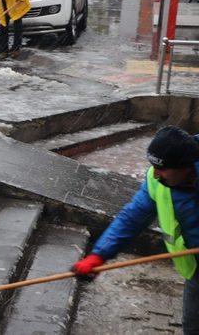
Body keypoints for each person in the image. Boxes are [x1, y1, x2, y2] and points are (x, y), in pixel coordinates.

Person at [72, 126, 199, 334]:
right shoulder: (156, 181)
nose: (156, 174)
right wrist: (98, 255)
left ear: (185, 167)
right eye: (154, 166)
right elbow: (131, 218)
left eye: (163, 169)